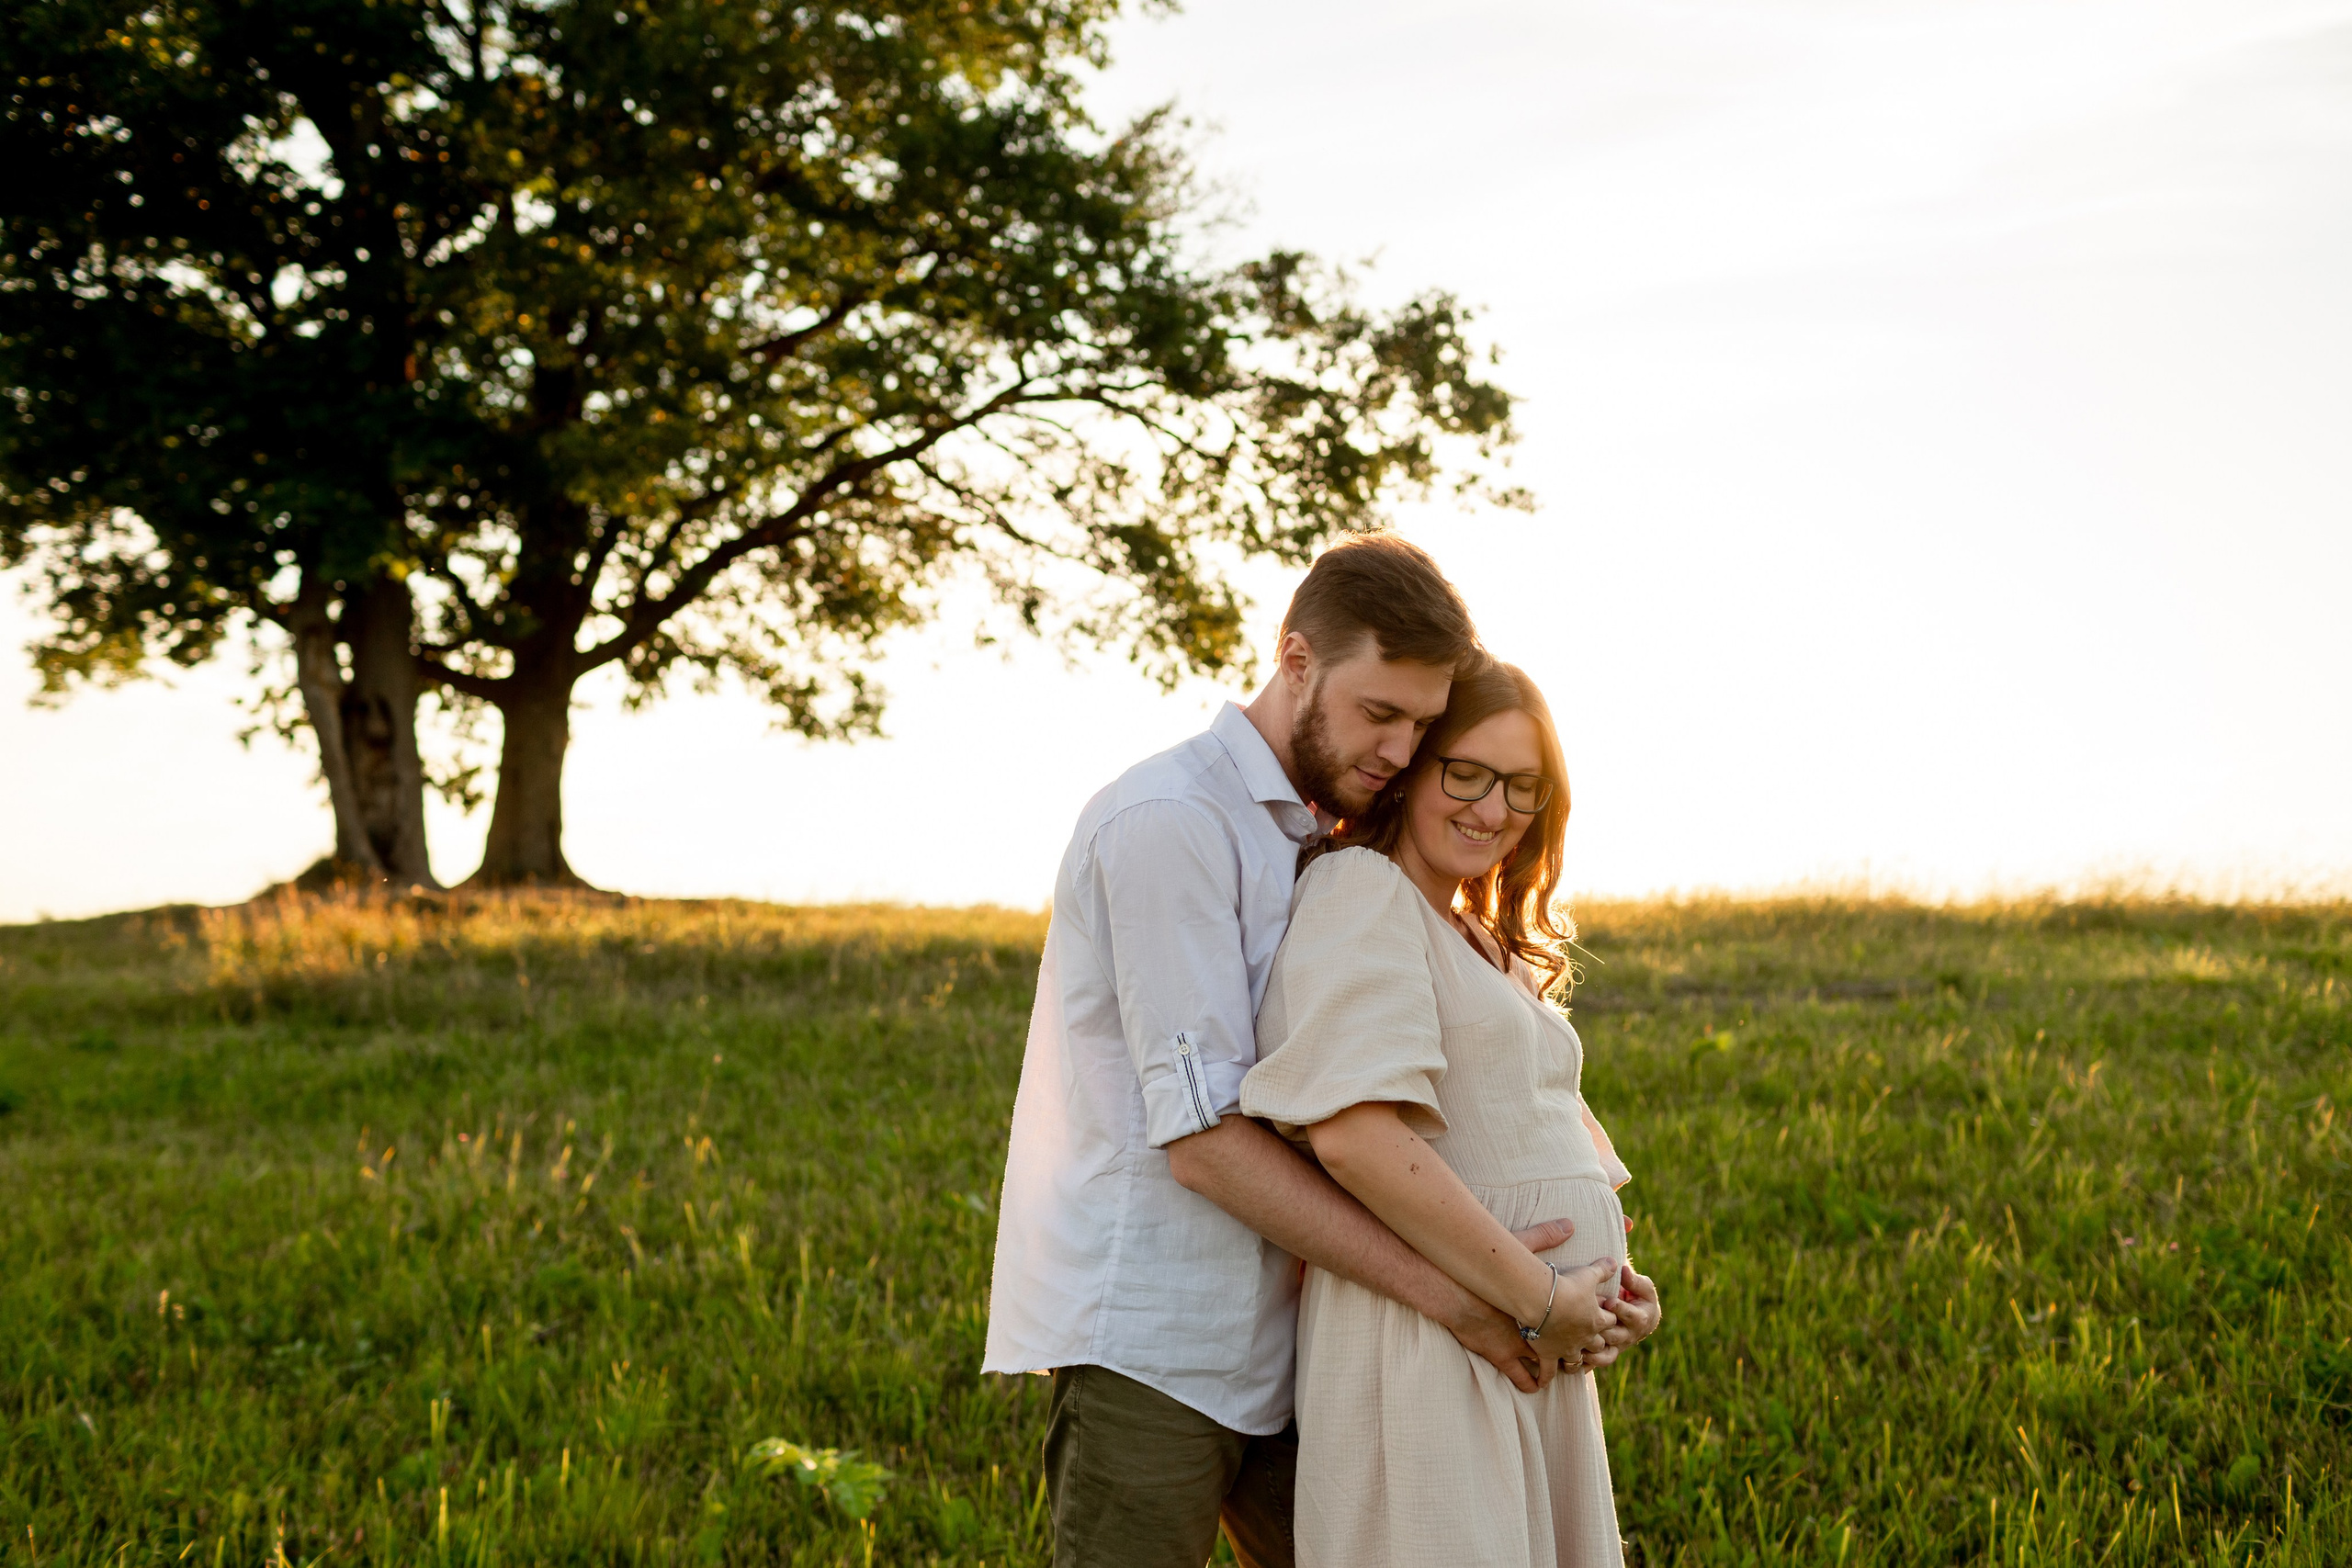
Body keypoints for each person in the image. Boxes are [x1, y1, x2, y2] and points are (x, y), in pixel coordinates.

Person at [982, 536, 1620, 1568]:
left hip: (1315, 1334)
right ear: (1294, 660)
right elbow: (1207, 1141)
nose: (1401, 750)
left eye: (1420, 725)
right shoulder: (1171, 821)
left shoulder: (1329, 839)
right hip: (1164, 1342)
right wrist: (1467, 1298)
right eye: (1380, 714)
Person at [1238, 656, 1664, 1568]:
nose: (1490, 807)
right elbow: (1354, 1138)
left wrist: (1615, 1297)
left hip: (1525, 1338)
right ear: (1411, 770)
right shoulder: (1363, 890)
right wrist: (1541, 1294)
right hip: (1433, 1342)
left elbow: (1528, 1135)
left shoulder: (1472, 932)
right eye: (1465, 772)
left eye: (1521, 784)